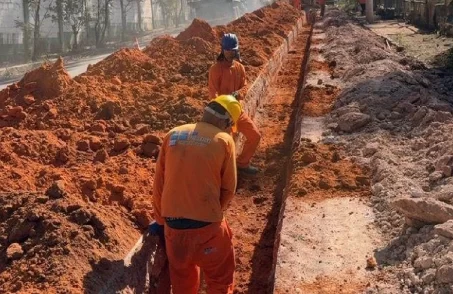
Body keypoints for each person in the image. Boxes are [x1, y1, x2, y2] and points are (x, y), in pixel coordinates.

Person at [150, 95, 241, 294]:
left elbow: (159, 183)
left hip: (174, 230)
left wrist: (160, 219)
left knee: (182, 282)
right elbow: (228, 189)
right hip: (208, 229)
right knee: (220, 279)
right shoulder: (224, 140)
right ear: (225, 121)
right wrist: (212, 210)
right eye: (229, 126)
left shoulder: (173, 134)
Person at [208, 33, 261, 176]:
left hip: (237, 111)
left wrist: (238, 93)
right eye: (227, 50)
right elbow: (213, 94)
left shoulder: (239, 68)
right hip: (223, 115)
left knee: (255, 136)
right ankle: (226, 174)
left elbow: (244, 86)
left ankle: (243, 164)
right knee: (228, 145)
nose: (230, 53)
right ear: (222, 50)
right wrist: (223, 109)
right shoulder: (216, 69)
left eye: (233, 50)